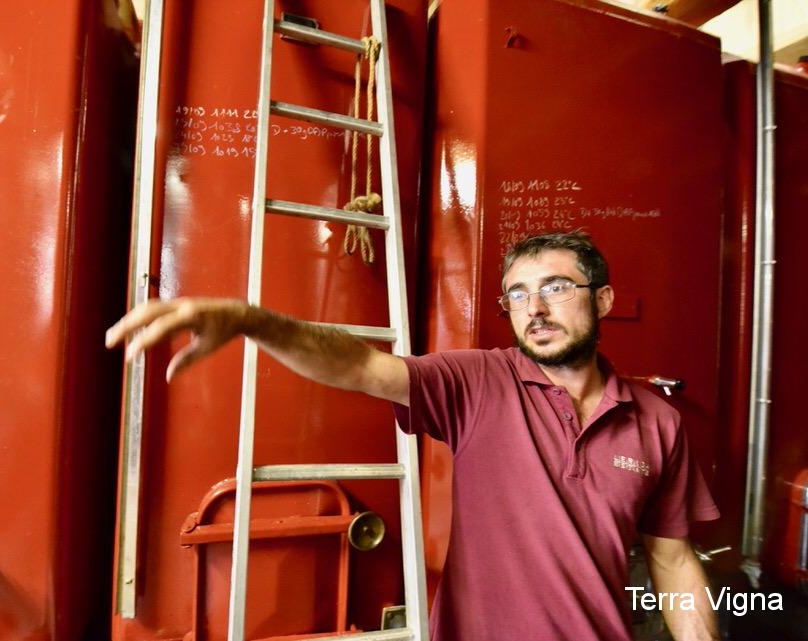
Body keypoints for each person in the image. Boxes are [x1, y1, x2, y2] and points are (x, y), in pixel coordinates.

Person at [105, 231, 721, 641]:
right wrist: (251, 321)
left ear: (604, 299)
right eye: (517, 294)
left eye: (557, 288)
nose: (535, 308)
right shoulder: (479, 381)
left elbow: (673, 564)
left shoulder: (656, 422)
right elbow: (358, 366)